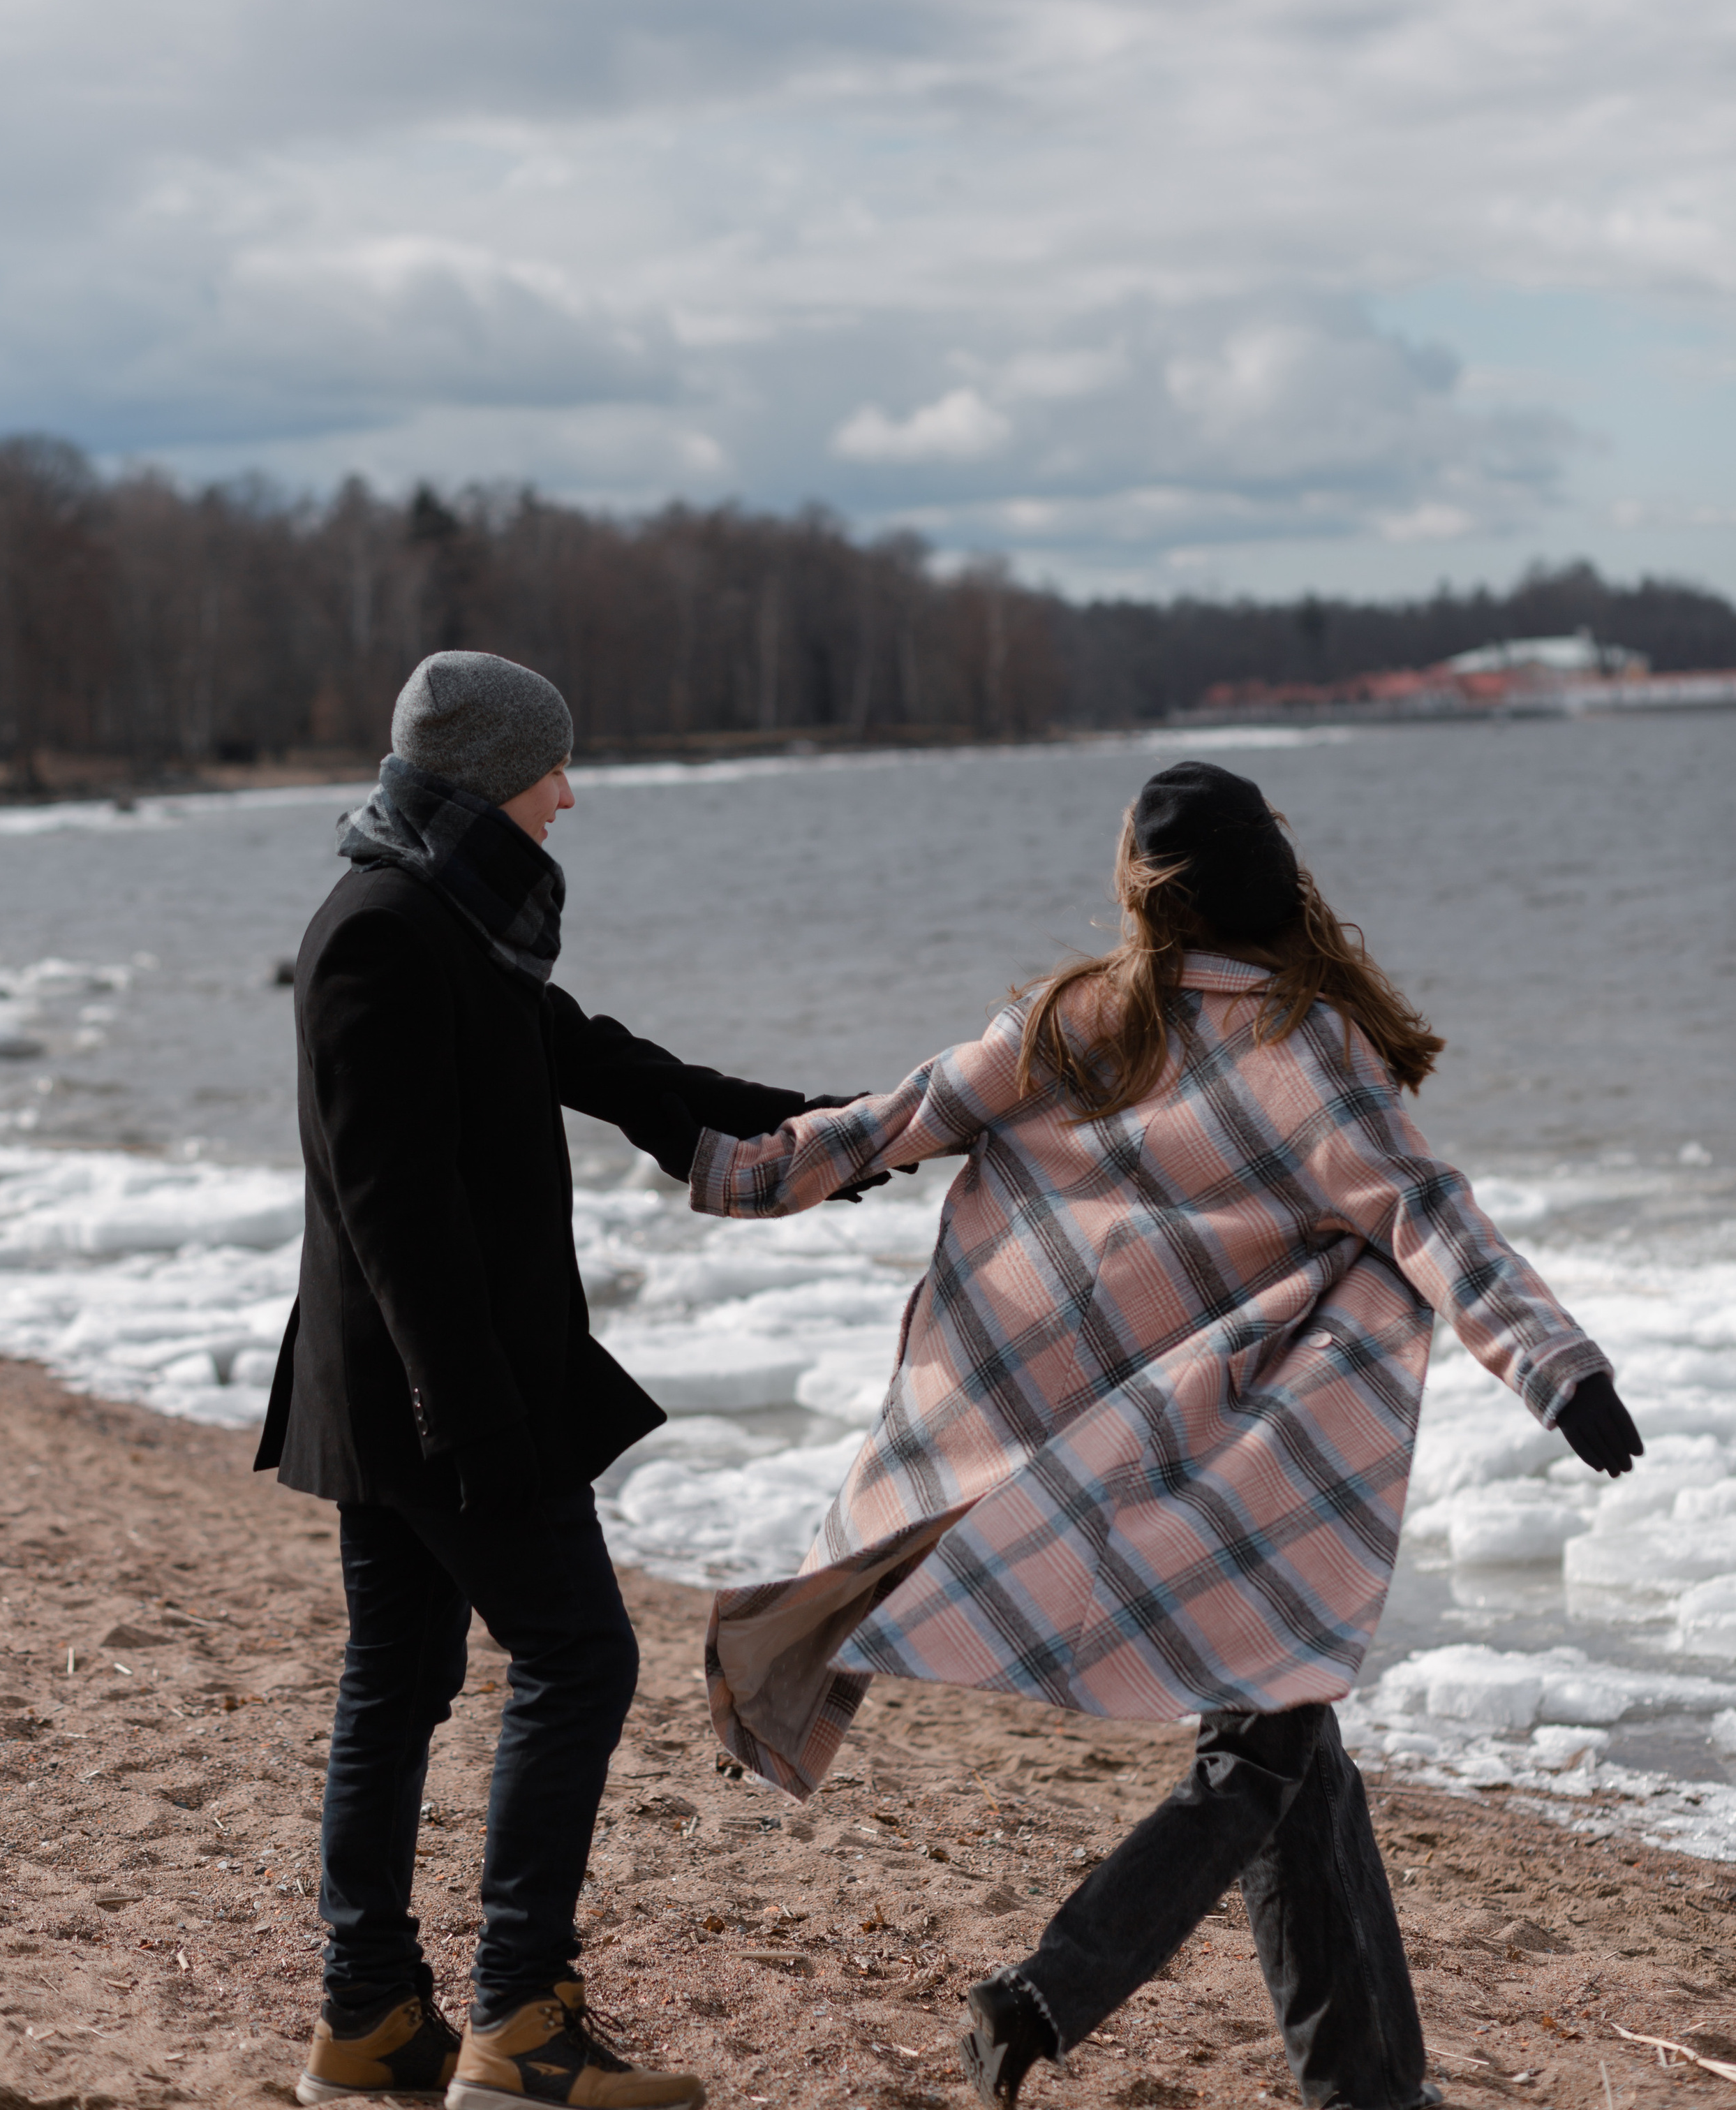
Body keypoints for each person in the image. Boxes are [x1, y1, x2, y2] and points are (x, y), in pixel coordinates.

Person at [687, 761, 1644, 2110]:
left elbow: (894, 1119)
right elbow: (1432, 1217)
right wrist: (1560, 1372)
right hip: (1232, 1455)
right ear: (1279, 882)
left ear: (1146, 896)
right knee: (1264, 1751)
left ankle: (1368, 2087)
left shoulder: (1069, 1021)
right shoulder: (1310, 1047)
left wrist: (727, 1166)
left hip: (1066, 1439)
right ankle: (1045, 1994)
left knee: (1293, 1739)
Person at [256, 649, 844, 2110]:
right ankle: (519, 2019)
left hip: (403, 1388)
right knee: (581, 1658)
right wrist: (471, 1417)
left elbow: (619, 1072)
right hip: (437, 1390)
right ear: (486, 776)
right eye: (548, 769)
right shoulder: (383, 933)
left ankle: (369, 2022)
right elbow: (392, 1209)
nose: (567, 795)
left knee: (399, 1678)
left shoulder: (449, 922)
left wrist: (840, 1130)